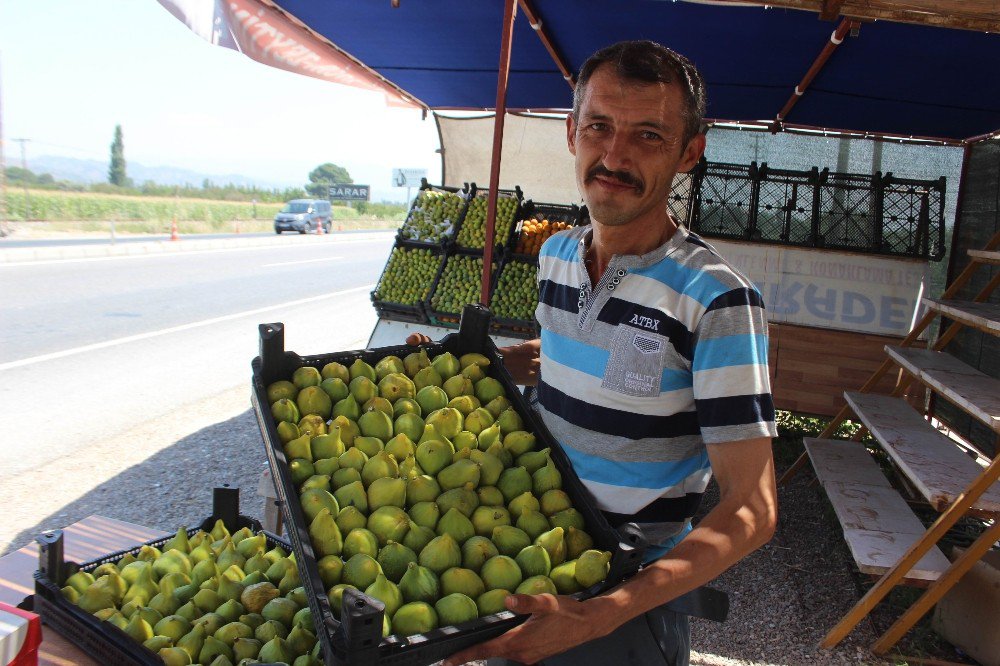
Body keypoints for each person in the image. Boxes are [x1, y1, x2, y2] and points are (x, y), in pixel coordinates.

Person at [410, 40, 777, 666]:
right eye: (599, 126)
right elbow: (563, 352)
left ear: (690, 152)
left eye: (648, 136)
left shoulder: (717, 301)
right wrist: (481, 364)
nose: (614, 155)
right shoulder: (555, 256)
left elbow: (754, 506)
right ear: (571, 132)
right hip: (526, 544)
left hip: (624, 586)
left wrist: (602, 615)